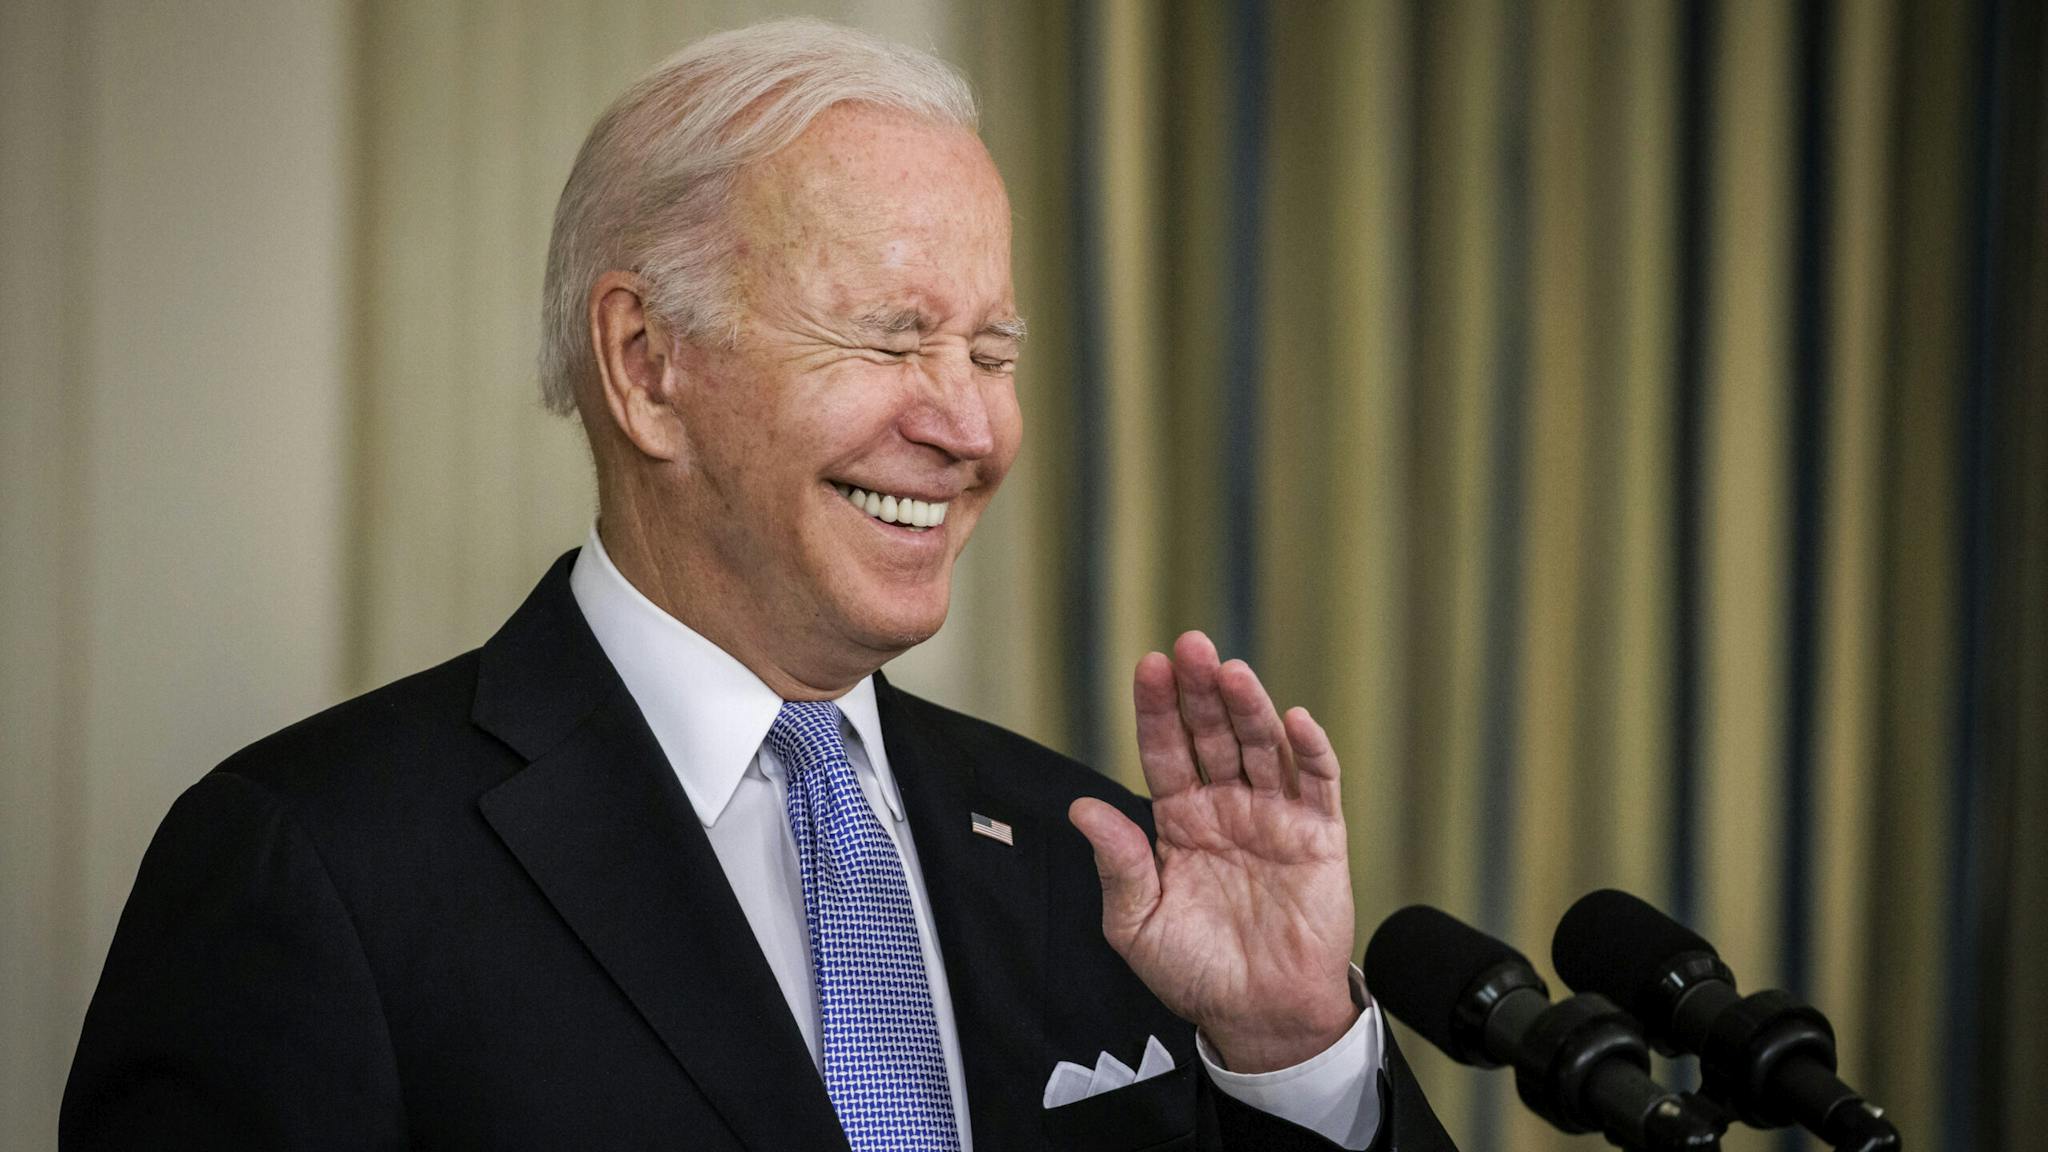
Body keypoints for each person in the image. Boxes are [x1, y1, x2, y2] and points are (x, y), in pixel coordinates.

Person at [62, 19, 1449, 1151]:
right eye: (893, 338)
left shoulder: (1099, 864)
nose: (968, 427)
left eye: (992, 350)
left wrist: (1290, 1056)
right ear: (646, 363)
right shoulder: (315, 867)